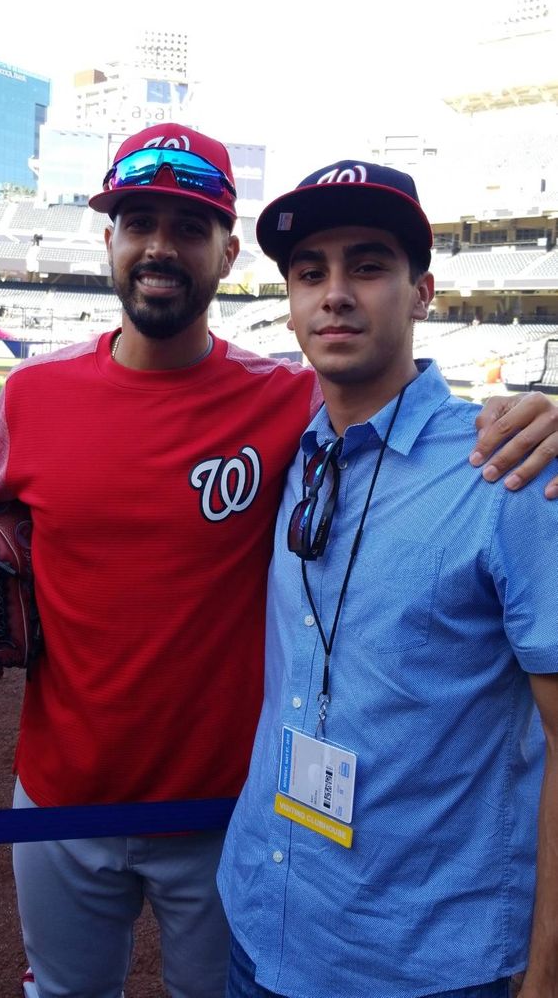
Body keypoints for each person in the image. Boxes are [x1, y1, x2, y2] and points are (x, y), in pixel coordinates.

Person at [0, 128, 557, 998]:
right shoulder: (36, 398)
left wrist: (544, 417)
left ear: (228, 251)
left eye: (191, 225)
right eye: (138, 221)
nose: (160, 247)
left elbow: (408, 413)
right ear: (109, 239)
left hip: (225, 812)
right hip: (84, 802)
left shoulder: (299, 407)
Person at [217, 159, 558, 998]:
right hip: (262, 921)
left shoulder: (507, 473)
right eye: (310, 273)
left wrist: (547, 972)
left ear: (422, 291)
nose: (334, 294)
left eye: (367, 265)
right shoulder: (292, 445)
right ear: (291, 304)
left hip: (423, 963)